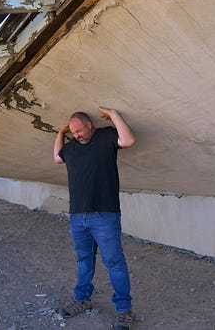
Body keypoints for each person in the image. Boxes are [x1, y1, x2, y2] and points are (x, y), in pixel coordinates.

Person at [53, 106, 136, 330]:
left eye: (79, 130)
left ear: (90, 125)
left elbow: (128, 140)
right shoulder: (70, 148)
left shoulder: (105, 137)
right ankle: (82, 299)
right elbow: (56, 158)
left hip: (104, 214)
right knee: (83, 261)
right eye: (73, 132)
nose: (77, 135)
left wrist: (115, 115)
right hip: (78, 217)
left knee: (114, 262)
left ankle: (123, 311)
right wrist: (61, 132)